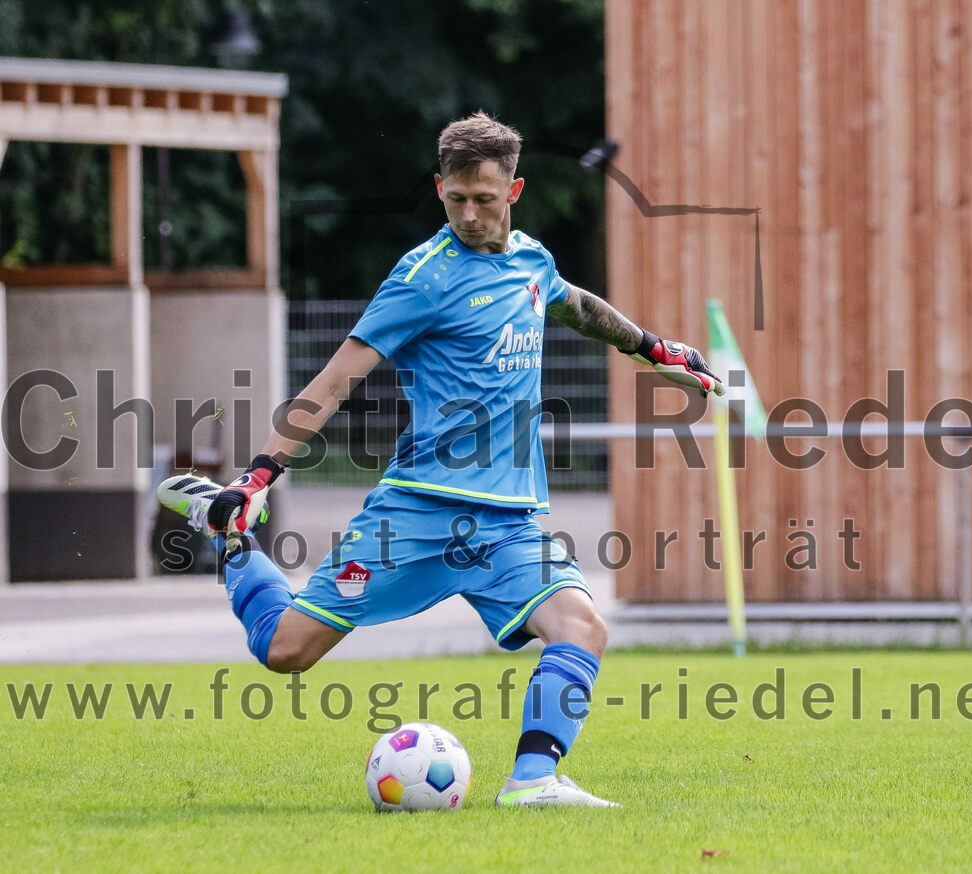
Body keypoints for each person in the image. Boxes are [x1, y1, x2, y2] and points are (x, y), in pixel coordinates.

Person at [159, 111, 723, 808]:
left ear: (514, 191)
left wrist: (652, 348)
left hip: (510, 522)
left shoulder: (531, 262)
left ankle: (533, 780)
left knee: (582, 626)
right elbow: (336, 380)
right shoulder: (421, 277)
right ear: (439, 188)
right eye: (455, 199)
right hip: (420, 510)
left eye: (484, 200)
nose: (469, 214)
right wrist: (262, 473)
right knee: (285, 651)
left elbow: (575, 305)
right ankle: (229, 535)